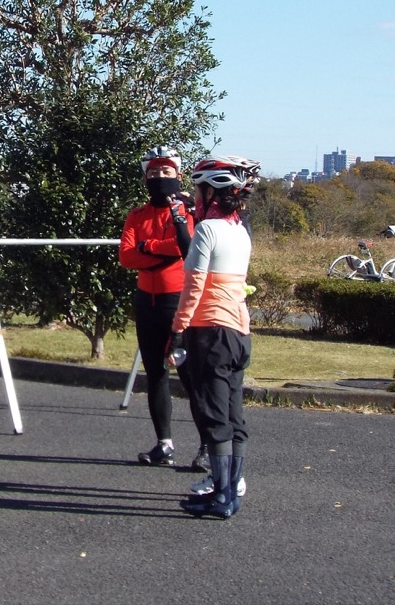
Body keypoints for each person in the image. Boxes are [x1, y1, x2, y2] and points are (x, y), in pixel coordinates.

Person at [170, 155, 260, 519]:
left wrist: (177, 331)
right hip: (239, 331)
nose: (194, 195)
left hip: (209, 330)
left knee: (213, 414)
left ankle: (221, 494)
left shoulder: (207, 230)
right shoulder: (240, 231)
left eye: (198, 188)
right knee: (233, 413)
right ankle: (229, 493)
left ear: (211, 191)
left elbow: (193, 288)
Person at [118, 147, 209, 471]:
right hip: (146, 301)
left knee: (191, 376)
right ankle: (164, 444)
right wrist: (161, 252)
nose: (159, 178)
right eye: (153, 174)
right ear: (145, 178)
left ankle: (208, 447)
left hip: (176, 300)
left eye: (166, 172)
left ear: (178, 176)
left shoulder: (186, 211)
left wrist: (149, 247)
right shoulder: (137, 214)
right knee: (155, 374)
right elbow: (126, 257)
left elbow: (186, 247)